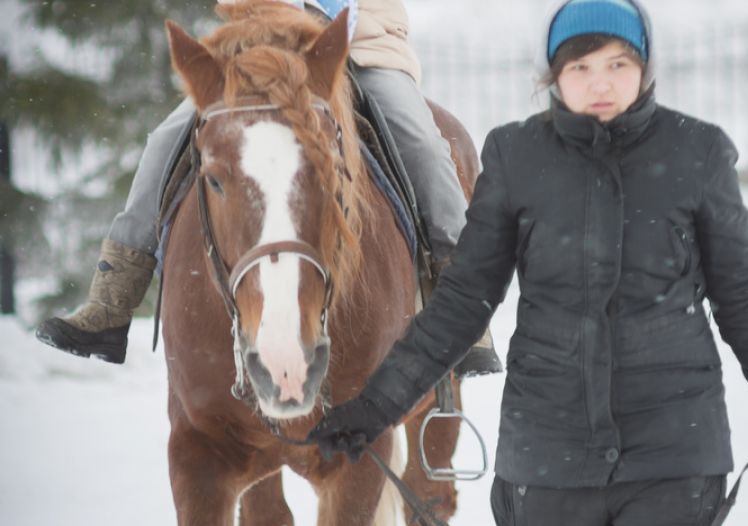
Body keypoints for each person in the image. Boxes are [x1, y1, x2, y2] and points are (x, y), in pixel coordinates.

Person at [306, 0, 748, 526]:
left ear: (645, 67)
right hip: (547, 459)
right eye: (579, 68)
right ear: (553, 74)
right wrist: (376, 408)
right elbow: (460, 305)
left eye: (618, 64)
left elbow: (746, 305)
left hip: (673, 458)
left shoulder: (697, 155)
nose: (599, 83)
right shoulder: (516, 157)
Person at [35, 0, 501, 375]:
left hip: (363, 47)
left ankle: (462, 302)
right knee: (163, 141)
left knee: (424, 144)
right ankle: (111, 302)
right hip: (261, 49)